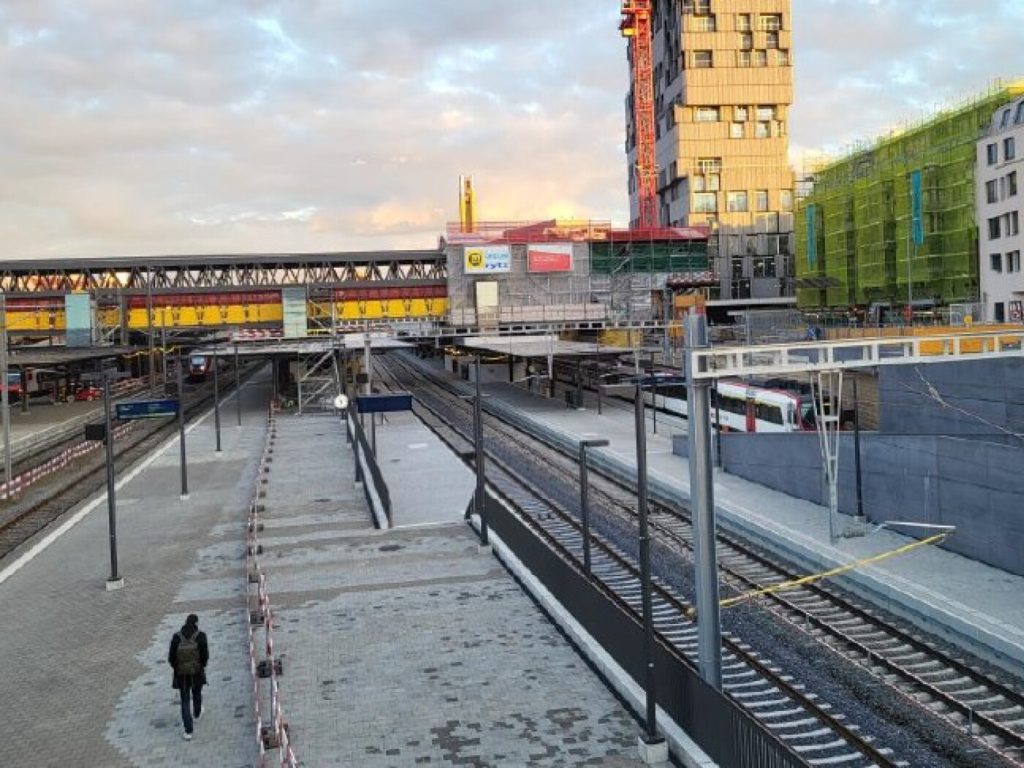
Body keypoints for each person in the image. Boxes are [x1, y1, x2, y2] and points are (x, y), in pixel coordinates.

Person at [168, 613, 209, 741]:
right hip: (196, 673)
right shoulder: (201, 636)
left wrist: (178, 668)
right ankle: (197, 713)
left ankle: (188, 731)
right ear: (196, 623)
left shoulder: (176, 637)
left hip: (182, 676)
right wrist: (201, 666)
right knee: (197, 693)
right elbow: (205, 656)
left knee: (185, 701)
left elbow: (171, 658)